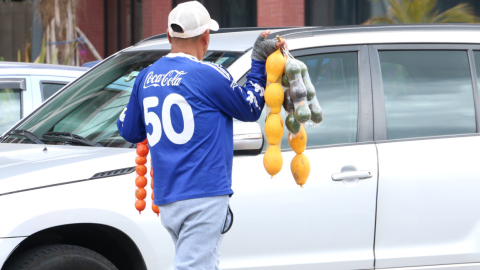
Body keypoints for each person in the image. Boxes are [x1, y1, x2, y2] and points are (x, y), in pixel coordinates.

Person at [117, 1, 285, 269]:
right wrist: (257, 61)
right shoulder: (209, 74)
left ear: (170, 36)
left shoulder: (146, 77)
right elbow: (251, 106)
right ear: (206, 36)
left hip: (168, 197)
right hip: (203, 194)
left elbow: (129, 130)